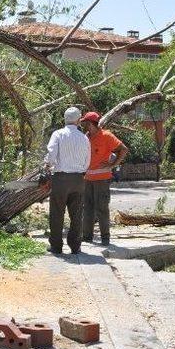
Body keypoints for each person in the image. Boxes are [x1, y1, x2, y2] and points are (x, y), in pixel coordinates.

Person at [43, 107, 91, 254]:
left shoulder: (58, 134)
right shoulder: (84, 138)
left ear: (65, 119)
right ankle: (75, 246)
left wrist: (47, 166)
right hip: (78, 179)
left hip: (61, 179)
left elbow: (51, 155)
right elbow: (87, 161)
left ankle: (56, 246)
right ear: (78, 121)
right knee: (77, 215)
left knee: (57, 213)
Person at [79, 112, 129, 245]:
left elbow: (123, 149)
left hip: (102, 179)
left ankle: (105, 238)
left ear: (90, 124)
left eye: (85, 123)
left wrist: (113, 164)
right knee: (87, 208)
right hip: (88, 179)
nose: (83, 125)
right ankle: (87, 237)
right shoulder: (86, 137)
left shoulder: (106, 136)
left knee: (101, 208)